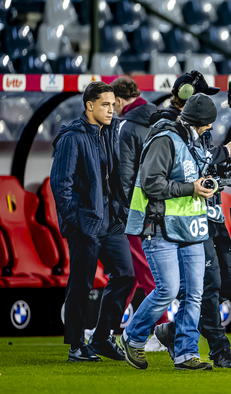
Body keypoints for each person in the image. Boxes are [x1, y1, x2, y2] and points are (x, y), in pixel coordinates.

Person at [152, 71, 231, 368]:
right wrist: (225, 151)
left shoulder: (201, 129)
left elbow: (212, 174)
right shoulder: (165, 125)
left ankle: (173, 330)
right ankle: (219, 350)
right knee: (209, 284)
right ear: (189, 96)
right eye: (203, 95)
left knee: (227, 281)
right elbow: (187, 168)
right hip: (187, 217)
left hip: (211, 215)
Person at [121, 93, 216, 370]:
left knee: (194, 293)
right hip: (160, 226)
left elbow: (193, 177)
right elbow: (152, 184)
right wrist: (192, 188)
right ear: (198, 122)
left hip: (191, 227)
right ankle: (132, 336)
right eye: (207, 124)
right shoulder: (165, 139)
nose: (210, 129)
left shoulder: (195, 141)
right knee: (168, 290)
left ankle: (187, 353)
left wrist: (209, 186)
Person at [50, 81, 135, 362]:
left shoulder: (108, 132)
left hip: (111, 223)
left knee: (126, 275)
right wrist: (75, 221)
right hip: (85, 224)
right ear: (89, 106)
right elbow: (60, 184)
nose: (112, 110)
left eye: (113, 105)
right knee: (81, 284)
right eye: (105, 105)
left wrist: (120, 212)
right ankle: (76, 346)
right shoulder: (71, 137)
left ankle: (100, 338)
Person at [110, 77, 167, 352]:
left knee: (145, 272)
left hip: (135, 210)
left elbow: (124, 175)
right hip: (162, 206)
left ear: (120, 101)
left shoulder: (127, 126)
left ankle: (161, 330)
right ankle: (109, 325)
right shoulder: (160, 119)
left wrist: (121, 211)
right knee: (132, 272)